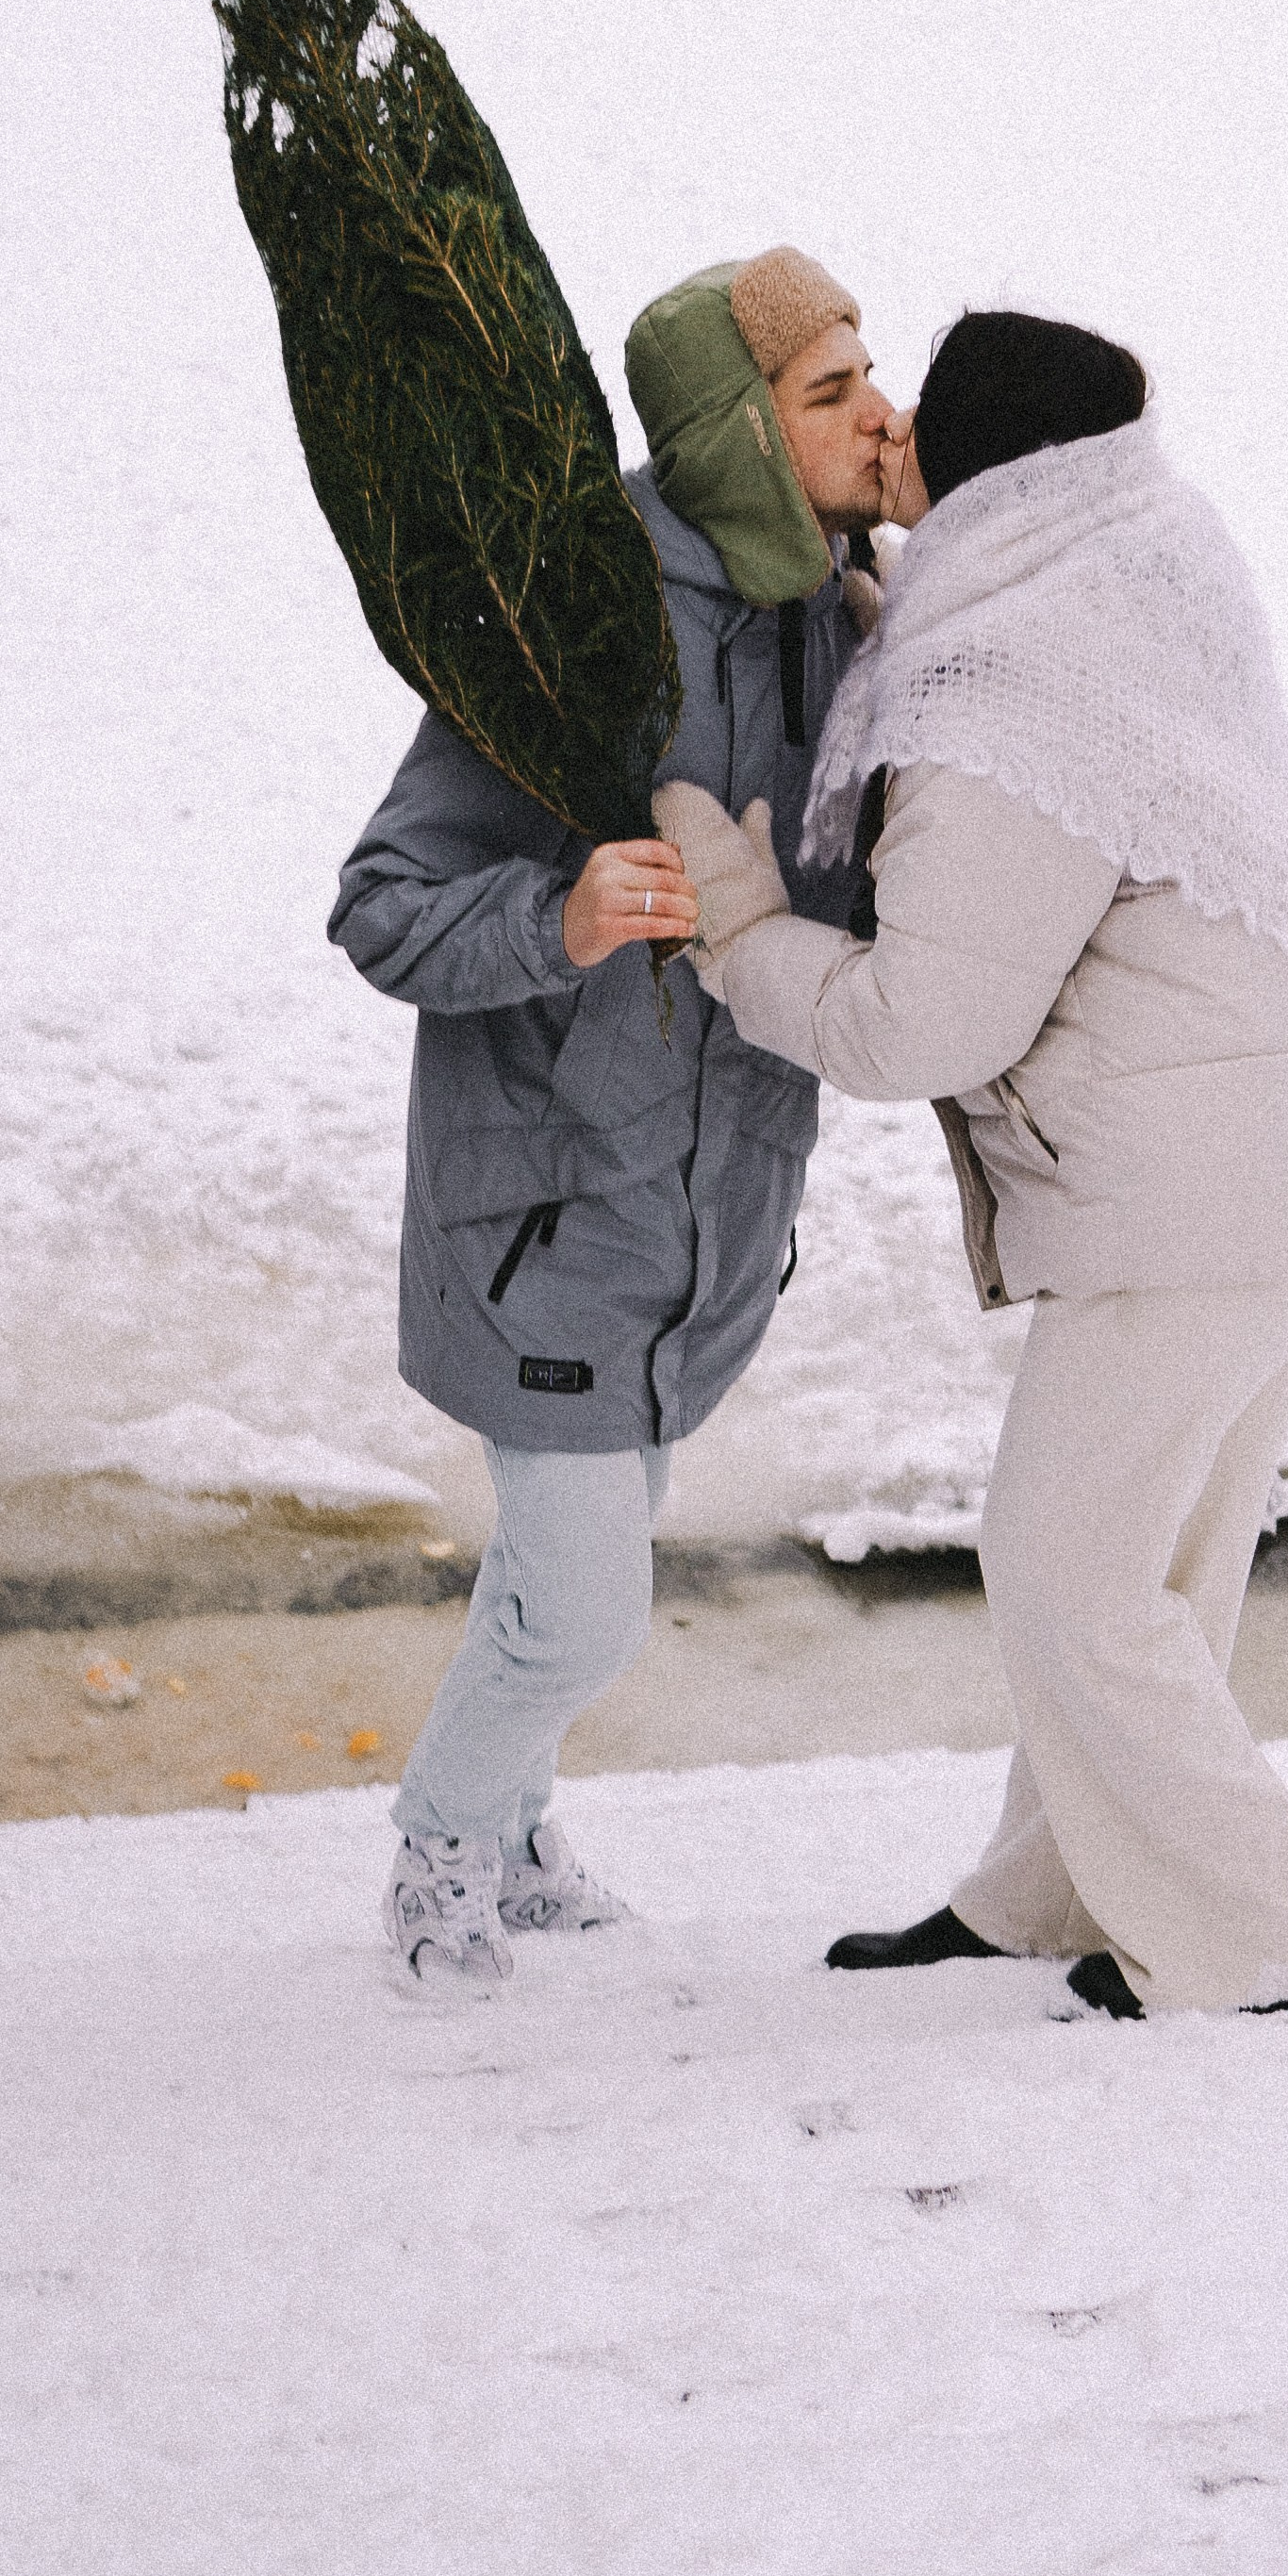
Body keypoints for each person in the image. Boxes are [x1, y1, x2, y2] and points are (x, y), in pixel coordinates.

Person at [656, 310, 1288, 2019]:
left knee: (1066, 1569)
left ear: (1001, 473)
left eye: (923, 414)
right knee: (1152, 1566)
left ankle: (1261, 1949)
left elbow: (920, 1023)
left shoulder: (1008, 698)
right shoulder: (1137, 549)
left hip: (1192, 1197)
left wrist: (741, 931)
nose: (890, 424)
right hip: (1286, 1153)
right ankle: (1057, 1892)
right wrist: (887, 618)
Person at [333, 249, 896, 1985]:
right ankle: (441, 1848)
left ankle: (510, 1835)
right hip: (550, 1220)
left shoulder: (840, 618)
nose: (879, 415)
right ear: (736, 434)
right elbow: (381, 902)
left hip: (707, 1218)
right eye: (830, 391)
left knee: (565, 1567)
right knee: (582, 1607)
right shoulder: (570, 622)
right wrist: (557, 914)